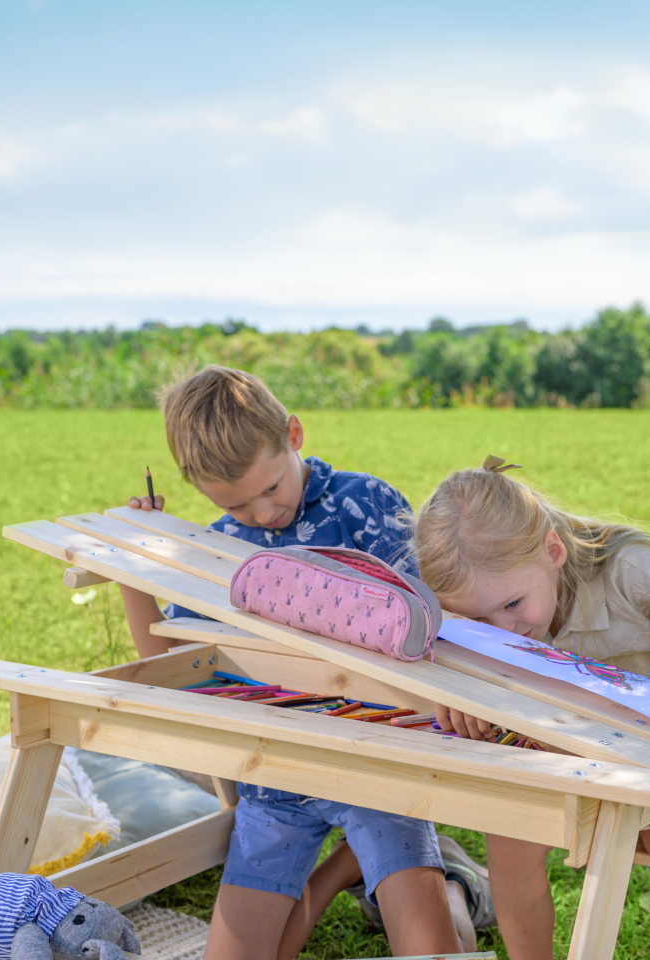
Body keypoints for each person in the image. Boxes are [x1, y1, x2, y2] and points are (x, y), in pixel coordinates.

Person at [116, 366, 490, 960]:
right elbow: (165, 664)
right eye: (235, 504)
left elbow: (427, 626)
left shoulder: (364, 503)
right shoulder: (217, 549)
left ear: (293, 435)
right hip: (275, 776)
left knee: (435, 947)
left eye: (269, 489)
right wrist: (136, 562)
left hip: (375, 764)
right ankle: (346, 870)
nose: (261, 514)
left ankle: (454, 885)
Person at [411, 458, 650, 957]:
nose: (503, 628)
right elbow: (445, 658)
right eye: (476, 619)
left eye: (512, 605)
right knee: (511, 850)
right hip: (551, 754)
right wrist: (457, 695)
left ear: (552, 551)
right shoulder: (481, 601)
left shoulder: (630, 569)